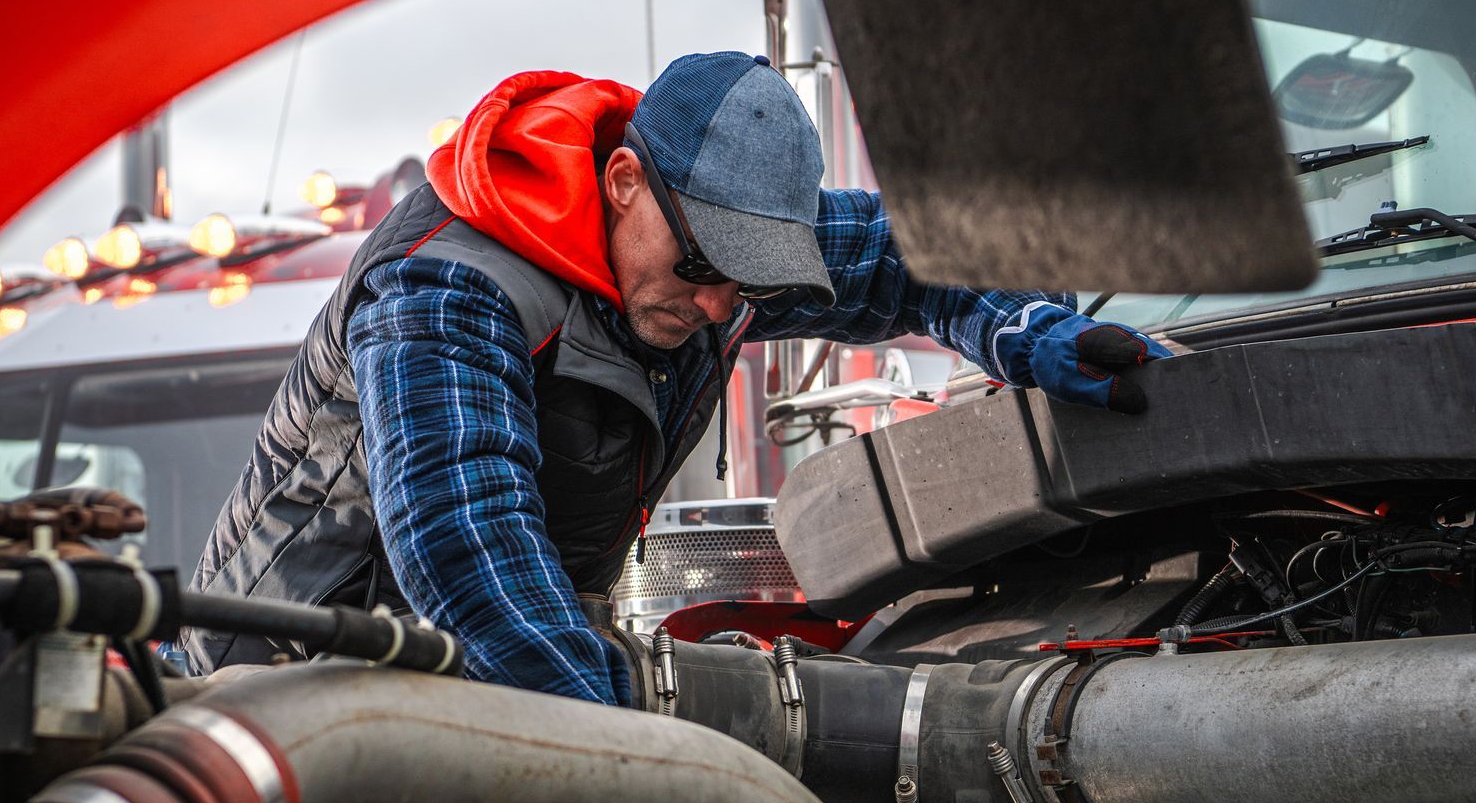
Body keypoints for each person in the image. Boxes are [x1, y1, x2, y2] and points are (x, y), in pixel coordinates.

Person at [183, 52, 1168, 701]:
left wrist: (1024, 329)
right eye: (703, 270)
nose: (716, 307)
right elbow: (471, 560)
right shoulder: (449, 285)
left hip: (486, 665)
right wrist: (644, 782)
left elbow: (918, 255)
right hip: (288, 692)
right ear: (622, 185)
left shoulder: (717, 250)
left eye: (746, 283)